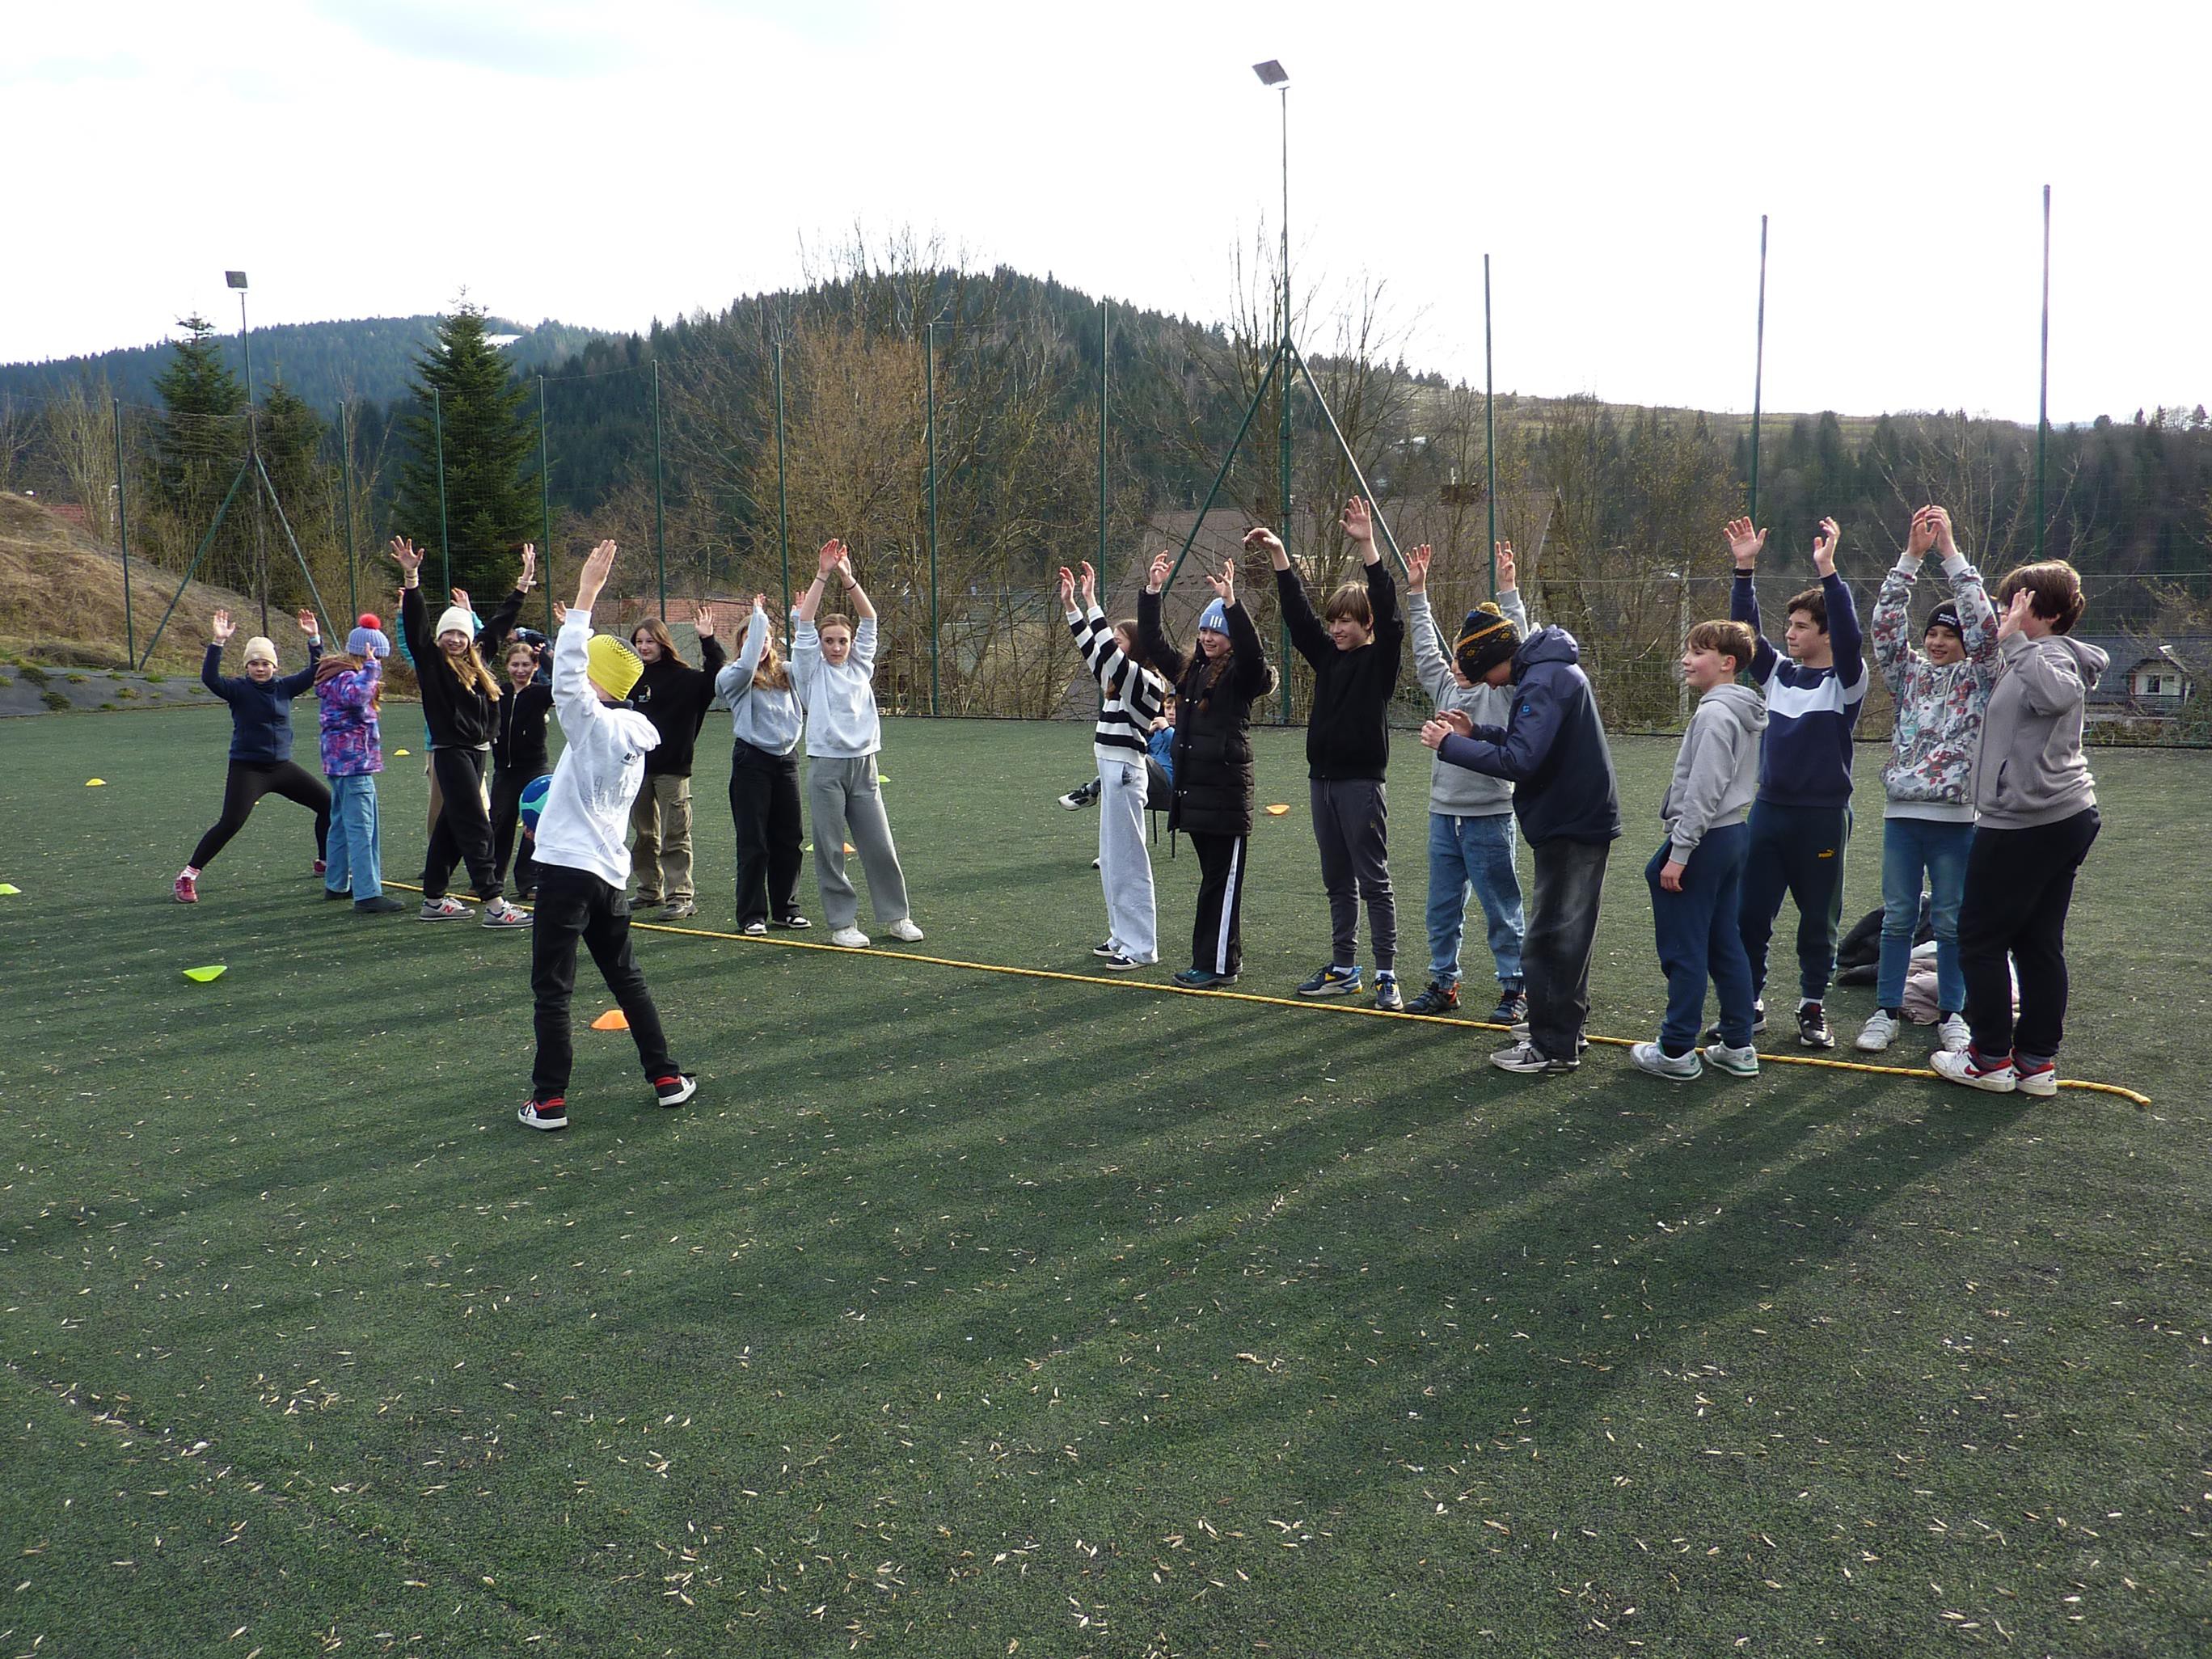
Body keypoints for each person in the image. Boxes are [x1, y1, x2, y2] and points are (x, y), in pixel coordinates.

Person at [520, 539, 696, 1131]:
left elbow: (568, 684)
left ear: (595, 678)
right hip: (606, 876)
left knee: (553, 990)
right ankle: (666, 1077)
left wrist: (585, 598)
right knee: (626, 978)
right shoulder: (632, 733)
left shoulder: (593, 725)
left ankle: (548, 1101)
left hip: (567, 874)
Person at [1420, 596, 1620, 1074]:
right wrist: (1478, 732)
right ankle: (1564, 1028)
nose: (1487, 683)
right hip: (1574, 818)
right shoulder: (1547, 672)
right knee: (1566, 935)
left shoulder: (1543, 681)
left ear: (1497, 659)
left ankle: (1552, 1046)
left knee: (1553, 937)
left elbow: (1520, 760)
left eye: (1482, 672)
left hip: (1570, 821)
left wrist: (1450, 746)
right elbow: (1529, 743)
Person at [1931, 562, 2106, 1097]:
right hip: (2055, 818)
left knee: (1980, 938)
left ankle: (1989, 1058)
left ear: (2041, 610)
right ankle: (2034, 1062)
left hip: (2028, 822)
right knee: (2036, 941)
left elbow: (2055, 695)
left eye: (2014, 603)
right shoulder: (2030, 656)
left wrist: (2016, 643)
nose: (2004, 612)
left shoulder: (2047, 655)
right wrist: (1949, 553)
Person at [1857, 504, 2000, 1054]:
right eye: (1933, 633)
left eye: (1949, 634)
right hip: (1903, 816)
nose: (1938, 642)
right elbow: (1885, 627)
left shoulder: (1981, 677)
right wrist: (1910, 558)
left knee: (1951, 921)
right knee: (1897, 918)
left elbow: (1986, 629)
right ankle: (1885, 1011)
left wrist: (1950, 554)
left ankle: (1953, 1013)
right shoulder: (1908, 675)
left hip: (1957, 819)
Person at [1725, 514, 1867, 1048]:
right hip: (1769, 812)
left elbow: (1851, 636)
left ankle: (1811, 1006)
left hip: (1822, 818)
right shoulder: (1778, 672)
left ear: (1826, 633)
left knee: (1817, 921)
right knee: (1750, 914)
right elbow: (1745, 637)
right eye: (1789, 625)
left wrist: (1829, 572)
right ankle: (1749, 1002)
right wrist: (1744, 571)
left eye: (1803, 626)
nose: (1790, 633)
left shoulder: (1847, 682)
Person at [1260, 496, 1406, 1009]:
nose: (1338, 629)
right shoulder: (1327, 656)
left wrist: (1368, 546)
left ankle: (1386, 974)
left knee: (1373, 881)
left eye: (1347, 621)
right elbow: (1299, 619)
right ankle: (1345, 969)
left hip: (1360, 785)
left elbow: (1391, 615)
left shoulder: (1380, 660)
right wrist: (1281, 558)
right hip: (1320, 782)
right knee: (1337, 881)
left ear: (1366, 624)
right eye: (1335, 621)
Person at [1628, 620, 1767, 1080]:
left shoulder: (1715, 715)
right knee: (1723, 941)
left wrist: (1680, 852)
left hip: (1706, 840)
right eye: (1688, 650)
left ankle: (1676, 1049)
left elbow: (1705, 790)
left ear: (1727, 663)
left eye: (1698, 652)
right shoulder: (1737, 709)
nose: (1686, 660)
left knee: (1685, 947)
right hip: (1732, 835)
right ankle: (1738, 1044)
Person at [1404, 539, 1528, 1022]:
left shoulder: (1504, 690)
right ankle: (1443, 982)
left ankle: (1515, 988)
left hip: (1490, 818)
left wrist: (1509, 591)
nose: (1457, 667)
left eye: (1466, 659)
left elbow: (1518, 647)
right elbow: (1424, 649)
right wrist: (1418, 593)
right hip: (1444, 817)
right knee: (1441, 907)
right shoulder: (1445, 686)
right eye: (1455, 657)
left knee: (1501, 907)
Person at [1138, 554, 1274, 988]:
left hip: (1226, 797)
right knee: (1216, 881)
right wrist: (1153, 592)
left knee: (1221, 882)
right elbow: (1153, 642)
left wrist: (1232, 602)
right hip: (1197, 796)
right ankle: (1225, 959)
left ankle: (1214, 966)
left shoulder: (1242, 675)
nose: (1208, 637)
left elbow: (1254, 654)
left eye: (1217, 631)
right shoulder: (1190, 671)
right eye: (1204, 630)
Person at [390, 538, 532, 930]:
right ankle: (495, 905)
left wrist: (522, 586)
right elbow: (416, 627)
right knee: (476, 824)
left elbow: (501, 623)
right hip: (451, 752)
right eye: (448, 634)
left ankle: (433, 899)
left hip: (477, 751)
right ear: (439, 638)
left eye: (461, 634)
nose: (455, 639)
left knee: (451, 827)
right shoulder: (432, 663)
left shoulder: (479, 660)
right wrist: (412, 578)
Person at [791, 538, 924, 948]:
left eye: (842, 641)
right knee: (831, 849)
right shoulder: (811, 670)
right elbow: (804, 625)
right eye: (829, 640)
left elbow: (870, 618)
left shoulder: (861, 666)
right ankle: (842, 924)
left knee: (880, 845)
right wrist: (822, 574)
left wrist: (847, 578)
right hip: (826, 767)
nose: (836, 647)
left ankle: (897, 917)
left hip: (865, 767)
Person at [174, 607, 330, 904]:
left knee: (328, 805)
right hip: (248, 769)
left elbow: (315, 671)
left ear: (275, 666)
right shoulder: (238, 690)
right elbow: (210, 679)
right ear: (247, 667)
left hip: (282, 768)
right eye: (254, 664)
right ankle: (188, 875)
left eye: (265, 663)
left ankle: (324, 861)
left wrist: (314, 639)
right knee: (231, 822)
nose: (260, 669)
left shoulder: (285, 687)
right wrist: (218, 642)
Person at [1062, 559, 1169, 971]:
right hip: (1111, 772)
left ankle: (1141, 947)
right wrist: (1073, 606)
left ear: (1134, 648)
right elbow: (1093, 649)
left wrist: (1092, 602)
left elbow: (1107, 652)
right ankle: (1121, 935)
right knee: (1111, 860)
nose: (1113, 646)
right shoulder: (1117, 682)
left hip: (1126, 773)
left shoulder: (1147, 683)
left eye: (1121, 640)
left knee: (1128, 861)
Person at [716, 593, 808, 935]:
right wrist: (758, 618)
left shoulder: (785, 673)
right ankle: (752, 915)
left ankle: (786, 909)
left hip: (786, 761)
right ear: (742, 645)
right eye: (755, 639)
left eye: (768, 638)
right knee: (754, 842)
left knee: (789, 838)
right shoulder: (732, 676)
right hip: (751, 761)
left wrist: (800, 620)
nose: (762, 644)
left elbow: (808, 666)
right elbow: (747, 662)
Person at [627, 610, 727, 920]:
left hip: (673, 769)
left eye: (650, 641)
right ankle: (649, 890)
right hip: (637, 769)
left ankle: (681, 896)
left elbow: (715, 675)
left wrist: (708, 639)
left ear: (663, 644)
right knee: (644, 835)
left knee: (675, 834)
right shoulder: (628, 678)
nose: (644, 647)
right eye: (639, 642)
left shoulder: (686, 679)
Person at [475, 548, 555, 902]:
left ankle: (529, 880)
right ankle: (493, 878)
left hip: (534, 768)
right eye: (515, 665)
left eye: (526, 665)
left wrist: (545, 655)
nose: (520, 670)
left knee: (535, 825)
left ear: (534, 668)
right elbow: (481, 657)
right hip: (505, 769)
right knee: (500, 821)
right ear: (507, 667)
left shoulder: (540, 694)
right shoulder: (498, 692)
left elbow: (564, 684)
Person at [314, 620, 406, 916]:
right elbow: (358, 697)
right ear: (366, 652)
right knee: (363, 829)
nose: (380, 664)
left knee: (341, 823)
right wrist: (371, 668)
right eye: (378, 656)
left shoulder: (334, 675)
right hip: (354, 764)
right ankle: (368, 893)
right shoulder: (349, 678)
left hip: (339, 763)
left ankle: (337, 883)